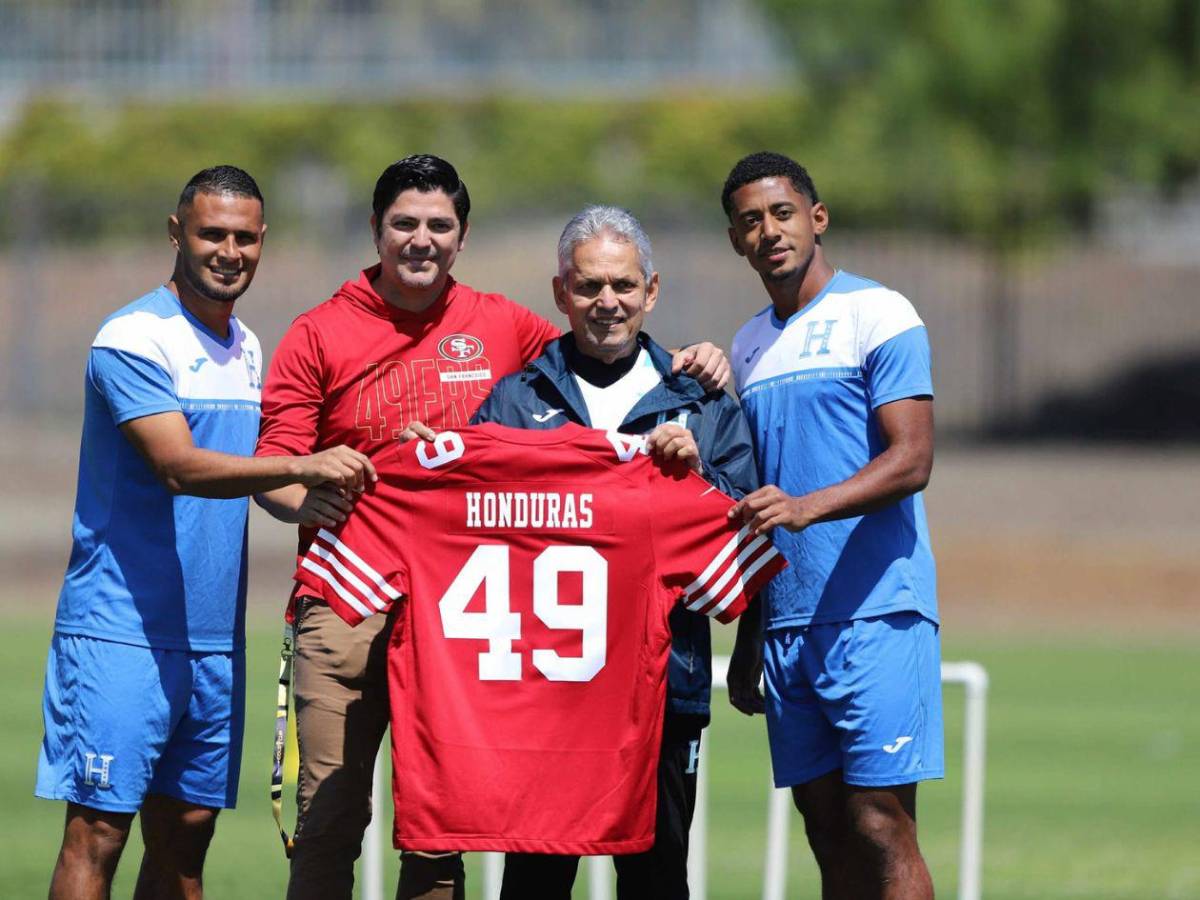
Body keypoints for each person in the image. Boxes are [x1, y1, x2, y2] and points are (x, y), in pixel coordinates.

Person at [253, 156, 731, 900]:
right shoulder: (319, 332)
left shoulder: (508, 328)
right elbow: (275, 468)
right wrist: (310, 494)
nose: (421, 239)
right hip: (347, 600)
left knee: (442, 828)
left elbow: (604, 335)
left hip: (471, 627)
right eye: (404, 223)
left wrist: (691, 367)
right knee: (329, 818)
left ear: (462, 236)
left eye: (438, 225)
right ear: (376, 230)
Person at [35, 166, 375, 900]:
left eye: (244, 237)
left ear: (262, 243)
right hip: (122, 631)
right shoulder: (133, 337)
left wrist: (319, 497)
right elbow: (180, 467)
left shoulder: (248, 347)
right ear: (175, 233)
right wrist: (304, 461)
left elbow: (259, 482)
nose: (229, 250)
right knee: (97, 834)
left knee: (188, 838)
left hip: (213, 640)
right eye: (212, 233)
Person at [470, 204, 759, 900]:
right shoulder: (513, 404)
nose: (608, 302)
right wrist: (433, 462)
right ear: (561, 292)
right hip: (546, 697)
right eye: (591, 285)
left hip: (663, 686)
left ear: (651, 291)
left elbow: (747, 534)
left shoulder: (701, 400)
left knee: (657, 882)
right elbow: (470, 527)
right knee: (535, 882)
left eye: (624, 286)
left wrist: (698, 479)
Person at [722, 151, 943, 900]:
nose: (769, 231)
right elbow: (752, 496)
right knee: (824, 829)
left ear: (817, 218)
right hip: (789, 623)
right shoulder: (747, 347)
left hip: (875, 610)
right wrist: (752, 634)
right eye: (750, 221)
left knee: (880, 823)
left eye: (782, 213)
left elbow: (912, 460)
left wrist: (807, 506)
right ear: (735, 240)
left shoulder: (879, 313)